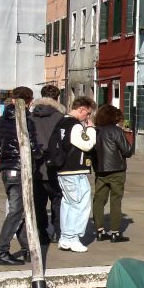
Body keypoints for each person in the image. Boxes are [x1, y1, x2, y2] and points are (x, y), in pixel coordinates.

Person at [0, 86, 39, 266]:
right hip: (20, 169)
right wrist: (40, 154)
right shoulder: (27, 120)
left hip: (6, 169)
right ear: (28, 102)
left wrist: (2, 165)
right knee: (17, 212)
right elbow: (32, 147)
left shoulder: (1, 121)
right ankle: (1, 251)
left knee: (22, 210)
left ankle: (26, 248)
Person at [55, 96, 98, 253]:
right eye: (87, 114)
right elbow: (87, 145)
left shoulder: (61, 122)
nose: (87, 118)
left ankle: (65, 238)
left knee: (68, 204)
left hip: (64, 169)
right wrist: (91, 129)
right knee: (80, 204)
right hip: (74, 170)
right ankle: (73, 237)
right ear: (81, 110)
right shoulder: (74, 125)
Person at [29, 84, 68, 244]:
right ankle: (58, 232)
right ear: (57, 98)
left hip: (36, 165)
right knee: (58, 200)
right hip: (55, 165)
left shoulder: (30, 117)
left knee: (38, 202)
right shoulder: (60, 117)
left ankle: (41, 233)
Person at [91, 104, 132, 242]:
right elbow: (127, 151)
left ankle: (99, 230)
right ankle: (115, 232)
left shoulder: (95, 131)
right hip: (117, 169)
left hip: (100, 169)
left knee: (98, 200)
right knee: (116, 200)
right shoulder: (116, 131)